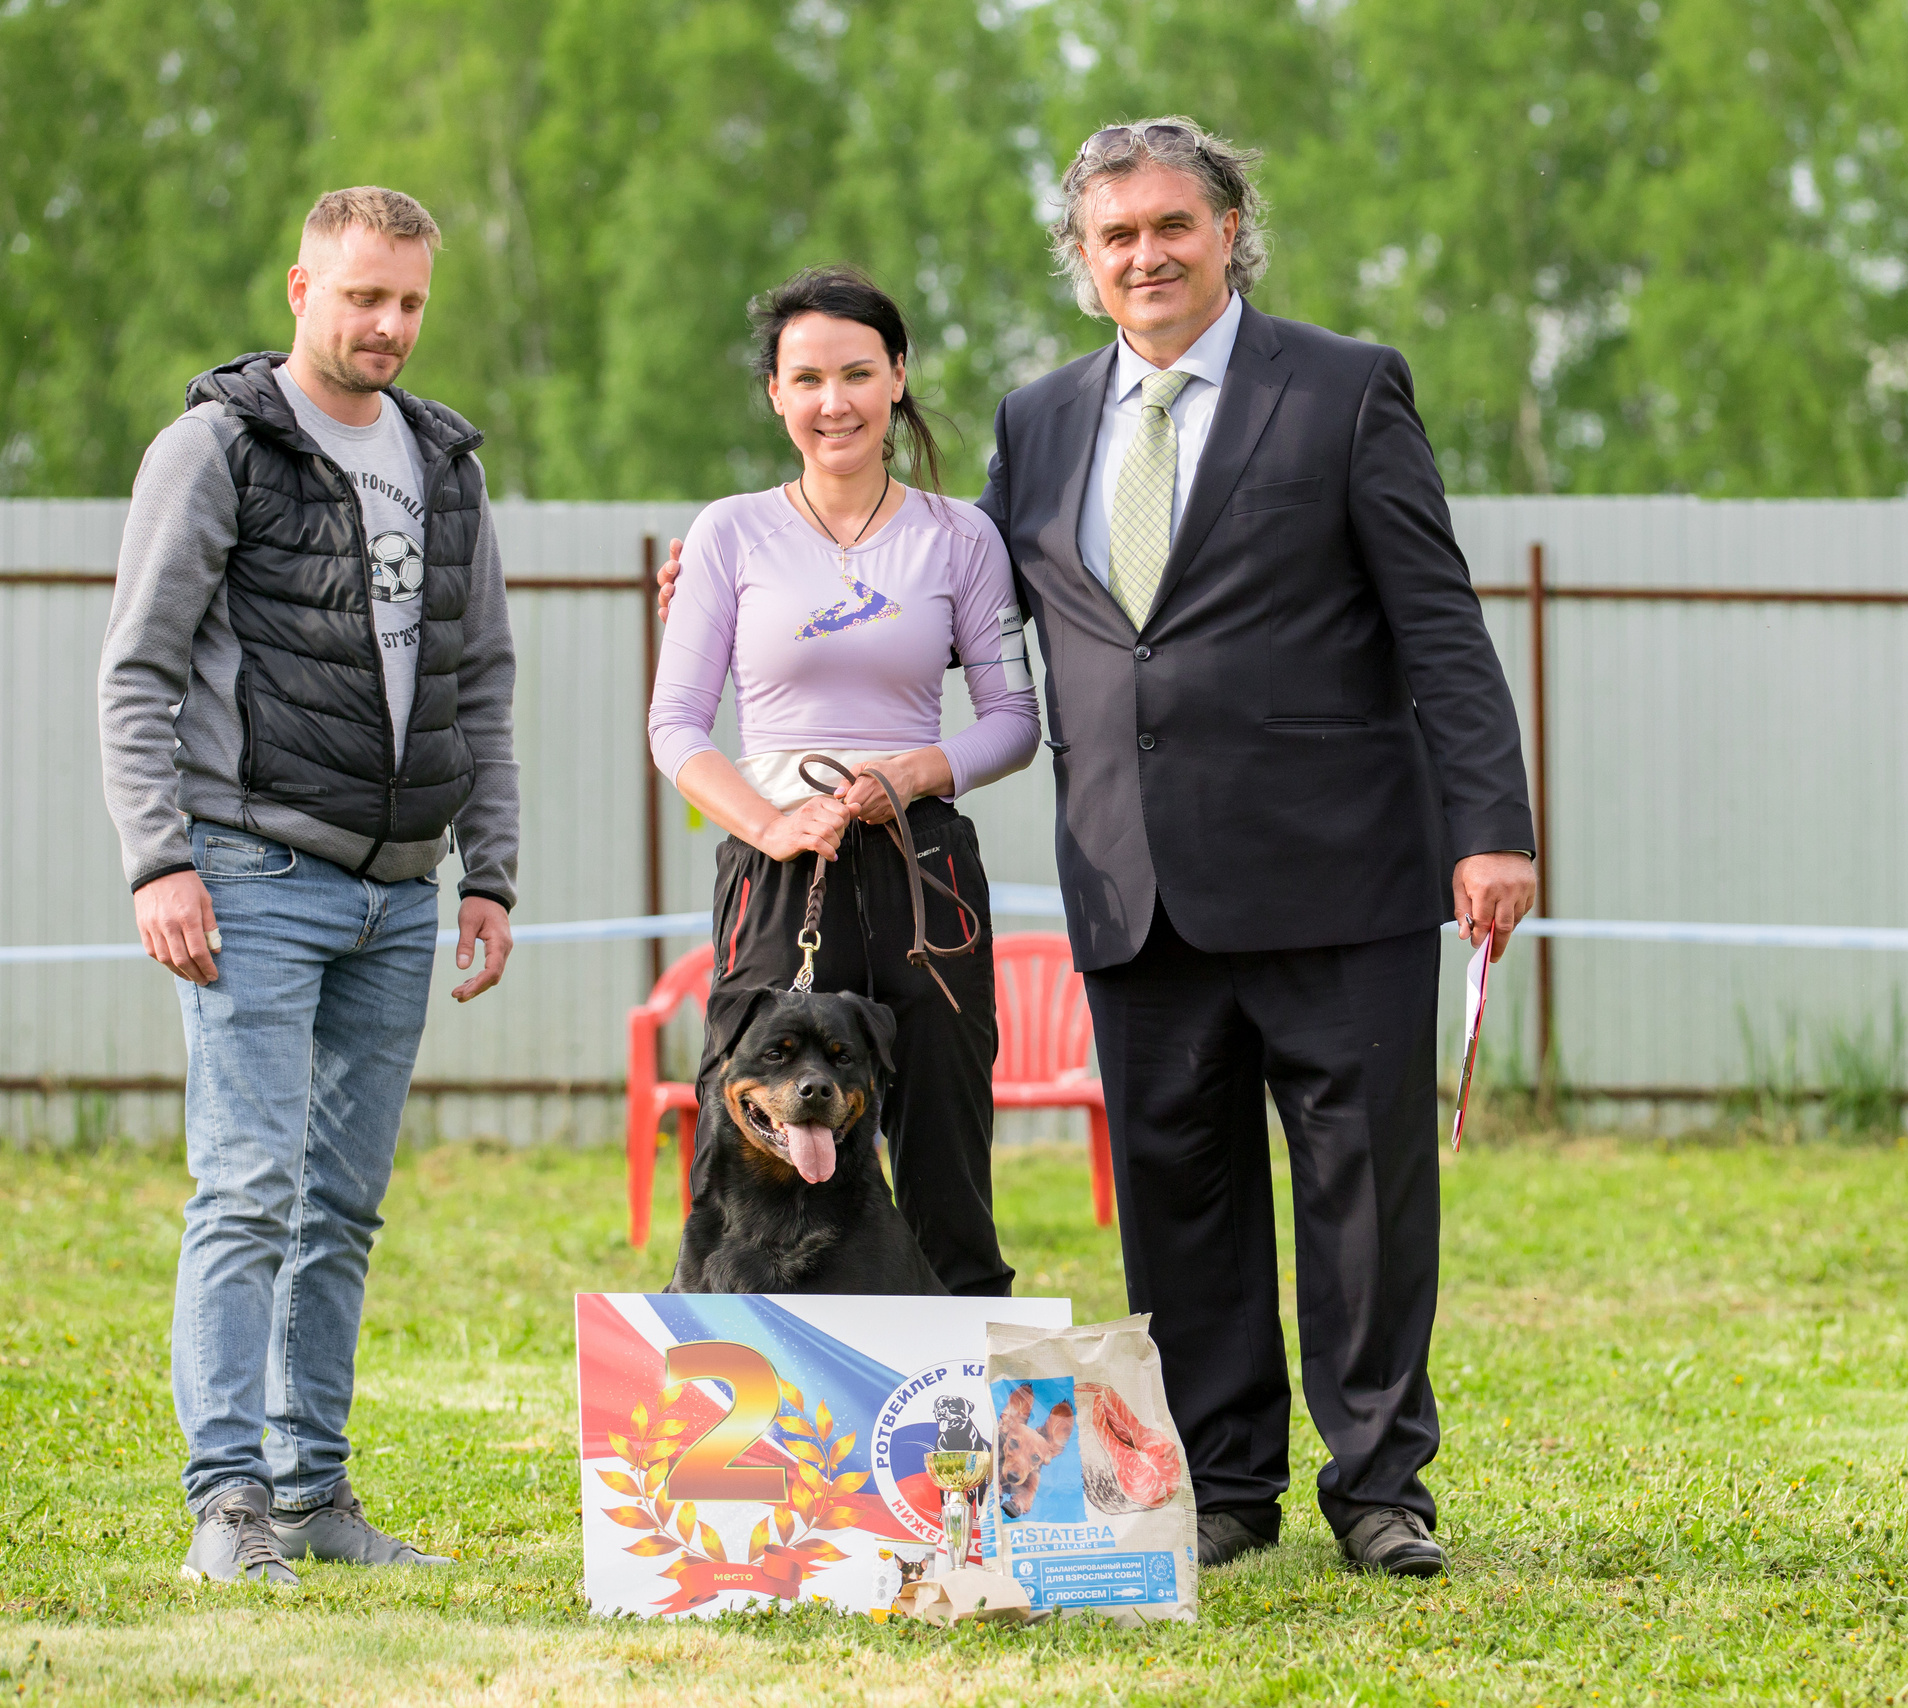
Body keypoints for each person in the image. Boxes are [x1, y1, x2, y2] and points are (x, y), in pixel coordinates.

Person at [667, 122, 1538, 1574]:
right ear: (1083, 262)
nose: (1145, 253)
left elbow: (1438, 624)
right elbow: (933, 572)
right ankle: (1229, 1487)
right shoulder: (1044, 419)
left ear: (1230, 229)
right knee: (1179, 1208)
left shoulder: (1343, 389)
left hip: (1335, 871)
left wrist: (1491, 828)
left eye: (1171, 225)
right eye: (1114, 234)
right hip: (1138, 889)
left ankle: (1380, 1488)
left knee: (1363, 1201)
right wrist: (741, 557)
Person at [98, 186, 520, 1585]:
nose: (388, 325)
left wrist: (488, 872)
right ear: (300, 290)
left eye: (408, 302)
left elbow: (483, 685)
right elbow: (140, 672)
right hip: (251, 873)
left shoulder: (447, 463)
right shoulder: (216, 447)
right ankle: (228, 1508)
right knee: (246, 1194)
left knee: (340, 1206)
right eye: (361, 298)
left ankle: (315, 1496)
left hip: (402, 895)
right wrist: (160, 857)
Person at [648, 266, 1037, 1297]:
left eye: (859, 373)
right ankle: (720, 1404)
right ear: (774, 391)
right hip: (779, 873)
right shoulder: (728, 533)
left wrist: (914, 770)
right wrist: (771, 827)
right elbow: (673, 727)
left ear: (897, 377)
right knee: (743, 1150)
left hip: (926, 875)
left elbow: (1013, 720)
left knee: (946, 1144)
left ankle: (963, 1415)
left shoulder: (964, 538)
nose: (835, 402)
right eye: (807, 377)